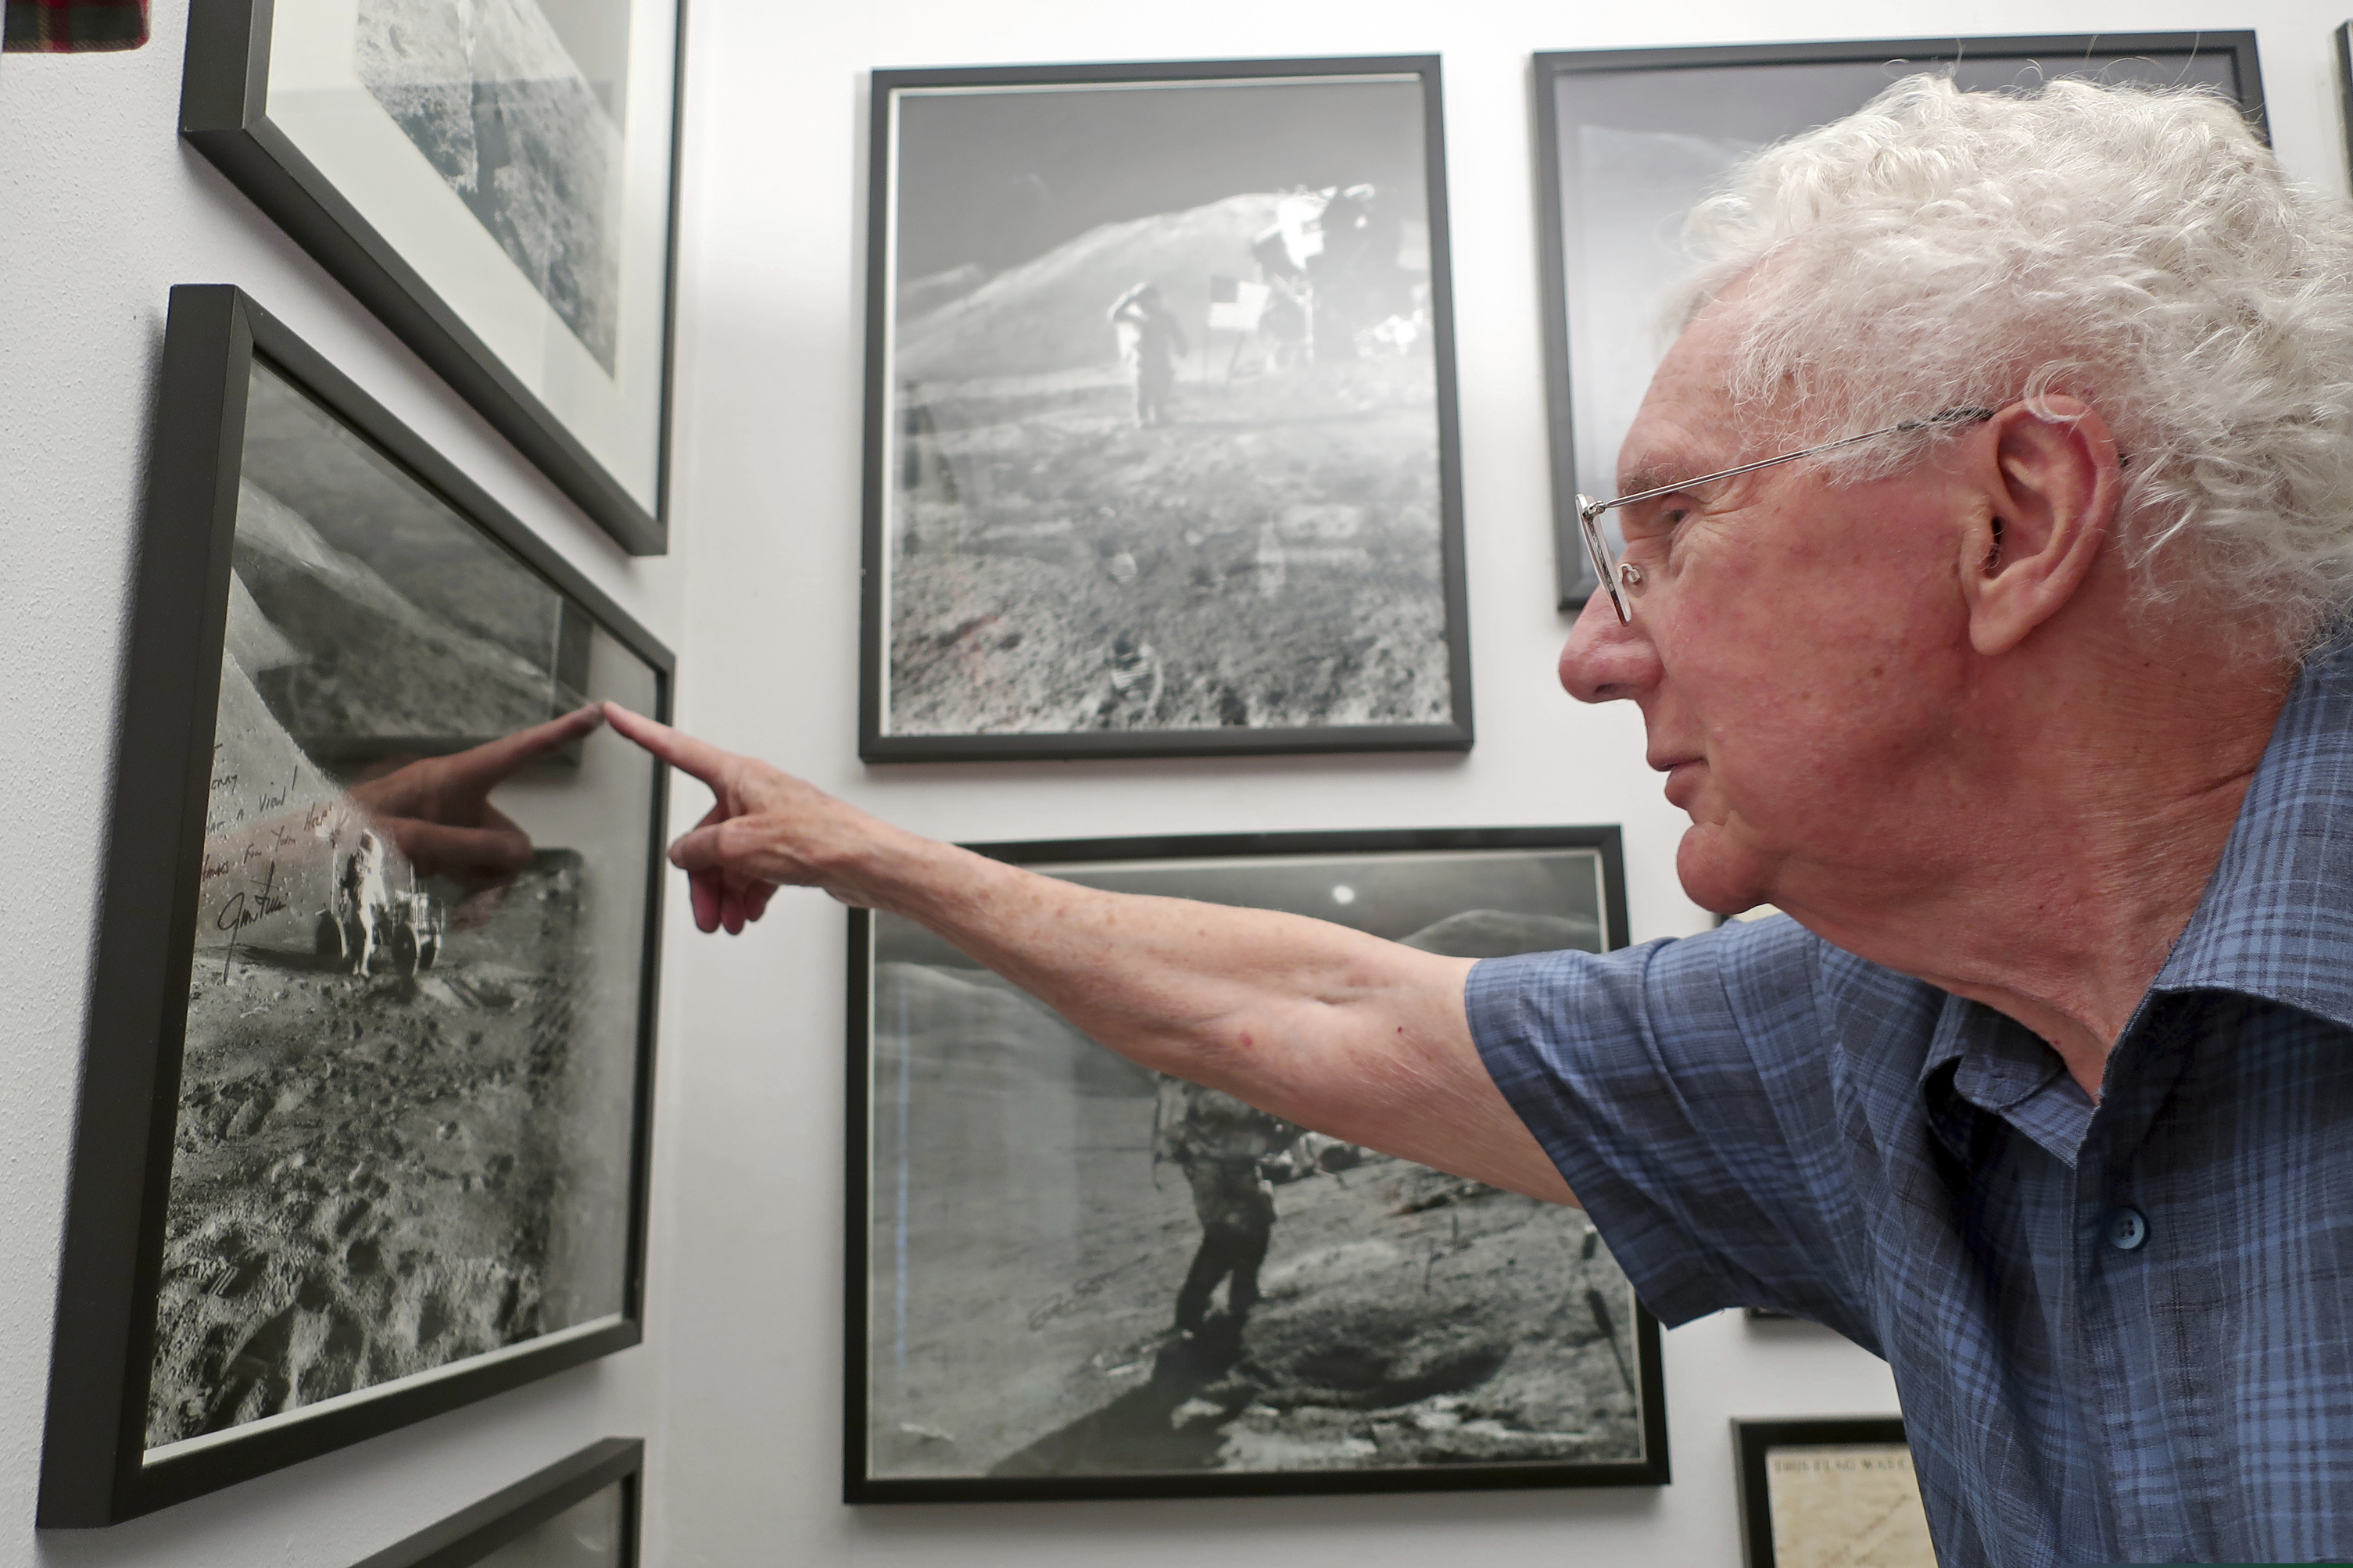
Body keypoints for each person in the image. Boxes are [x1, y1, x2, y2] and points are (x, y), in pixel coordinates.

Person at [609, 77, 2353, 1567]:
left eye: (1666, 529)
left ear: (2010, 518)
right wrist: (857, 849)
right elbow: (1325, 1012)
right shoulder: (1857, 1039)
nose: (1596, 654)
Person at [1153, 1076, 1306, 1334]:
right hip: (1210, 1168)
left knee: (1259, 1222)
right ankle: (1189, 1313)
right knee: (1223, 1236)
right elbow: (1179, 1131)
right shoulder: (1198, 1082)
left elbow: (1267, 1128)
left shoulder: (1250, 1079)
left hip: (1241, 1165)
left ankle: (1244, 1295)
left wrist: (1290, 1125)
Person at [1107, 281, 1187, 427]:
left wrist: (1182, 347)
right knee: (1143, 387)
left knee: (1163, 383)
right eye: (1144, 300)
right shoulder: (1135, 316)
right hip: (1142, 357)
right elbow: (1114, 316)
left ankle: (1158, 413)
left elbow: (1176, 332)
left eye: (1151, 299)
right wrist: (1126, 300)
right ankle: (1142, 417)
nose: (1149, 303)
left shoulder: (1164, 316)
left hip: (1160, 356)